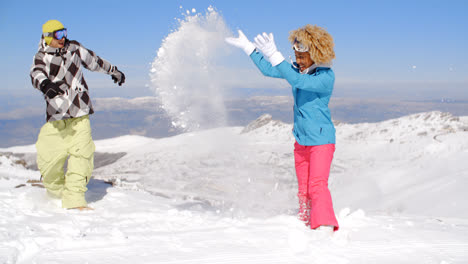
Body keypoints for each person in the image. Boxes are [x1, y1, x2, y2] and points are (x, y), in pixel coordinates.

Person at [226, 25, 339, 232]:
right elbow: (269, 69)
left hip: (321, 142)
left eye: (302, 55)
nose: (297, 60)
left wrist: (275, 54)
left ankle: (324, 224)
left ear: (315, 53)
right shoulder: (298, 70)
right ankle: (306, 221)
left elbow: (297, 80)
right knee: (304, 189)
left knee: (317, 185)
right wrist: (250, 48)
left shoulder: (325, 77)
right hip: (302, 141)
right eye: (295, 54)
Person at [30, 20, 125, 210]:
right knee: (48, 162)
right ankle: (56, 191)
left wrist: (114, 71)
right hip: (56, 117)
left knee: (82, 155)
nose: (62, 37)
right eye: (58, 34)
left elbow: (94, 61)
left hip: (80, 112)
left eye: (64, 32)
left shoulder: (74, 48)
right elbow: (36, 73)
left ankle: (74, 200)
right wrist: (45, 85)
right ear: (48, 36)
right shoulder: (42, 56)